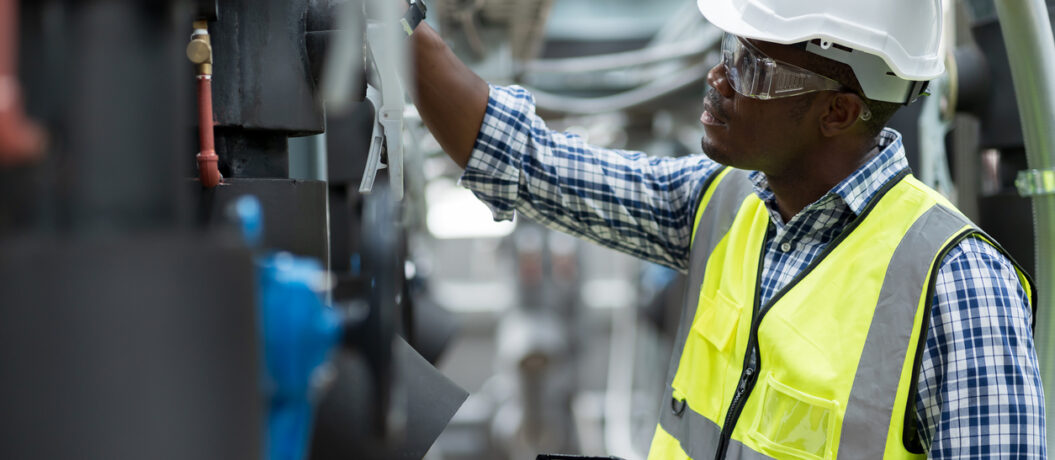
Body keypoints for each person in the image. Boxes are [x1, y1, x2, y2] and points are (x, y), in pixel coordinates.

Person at [404, 0, 1046, 458]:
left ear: (839, 111)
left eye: (754, 68)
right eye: (729, 53)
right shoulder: (723, 203)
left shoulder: (960, 288)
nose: (718, 79)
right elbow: (530, 163)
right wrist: (399, 31)